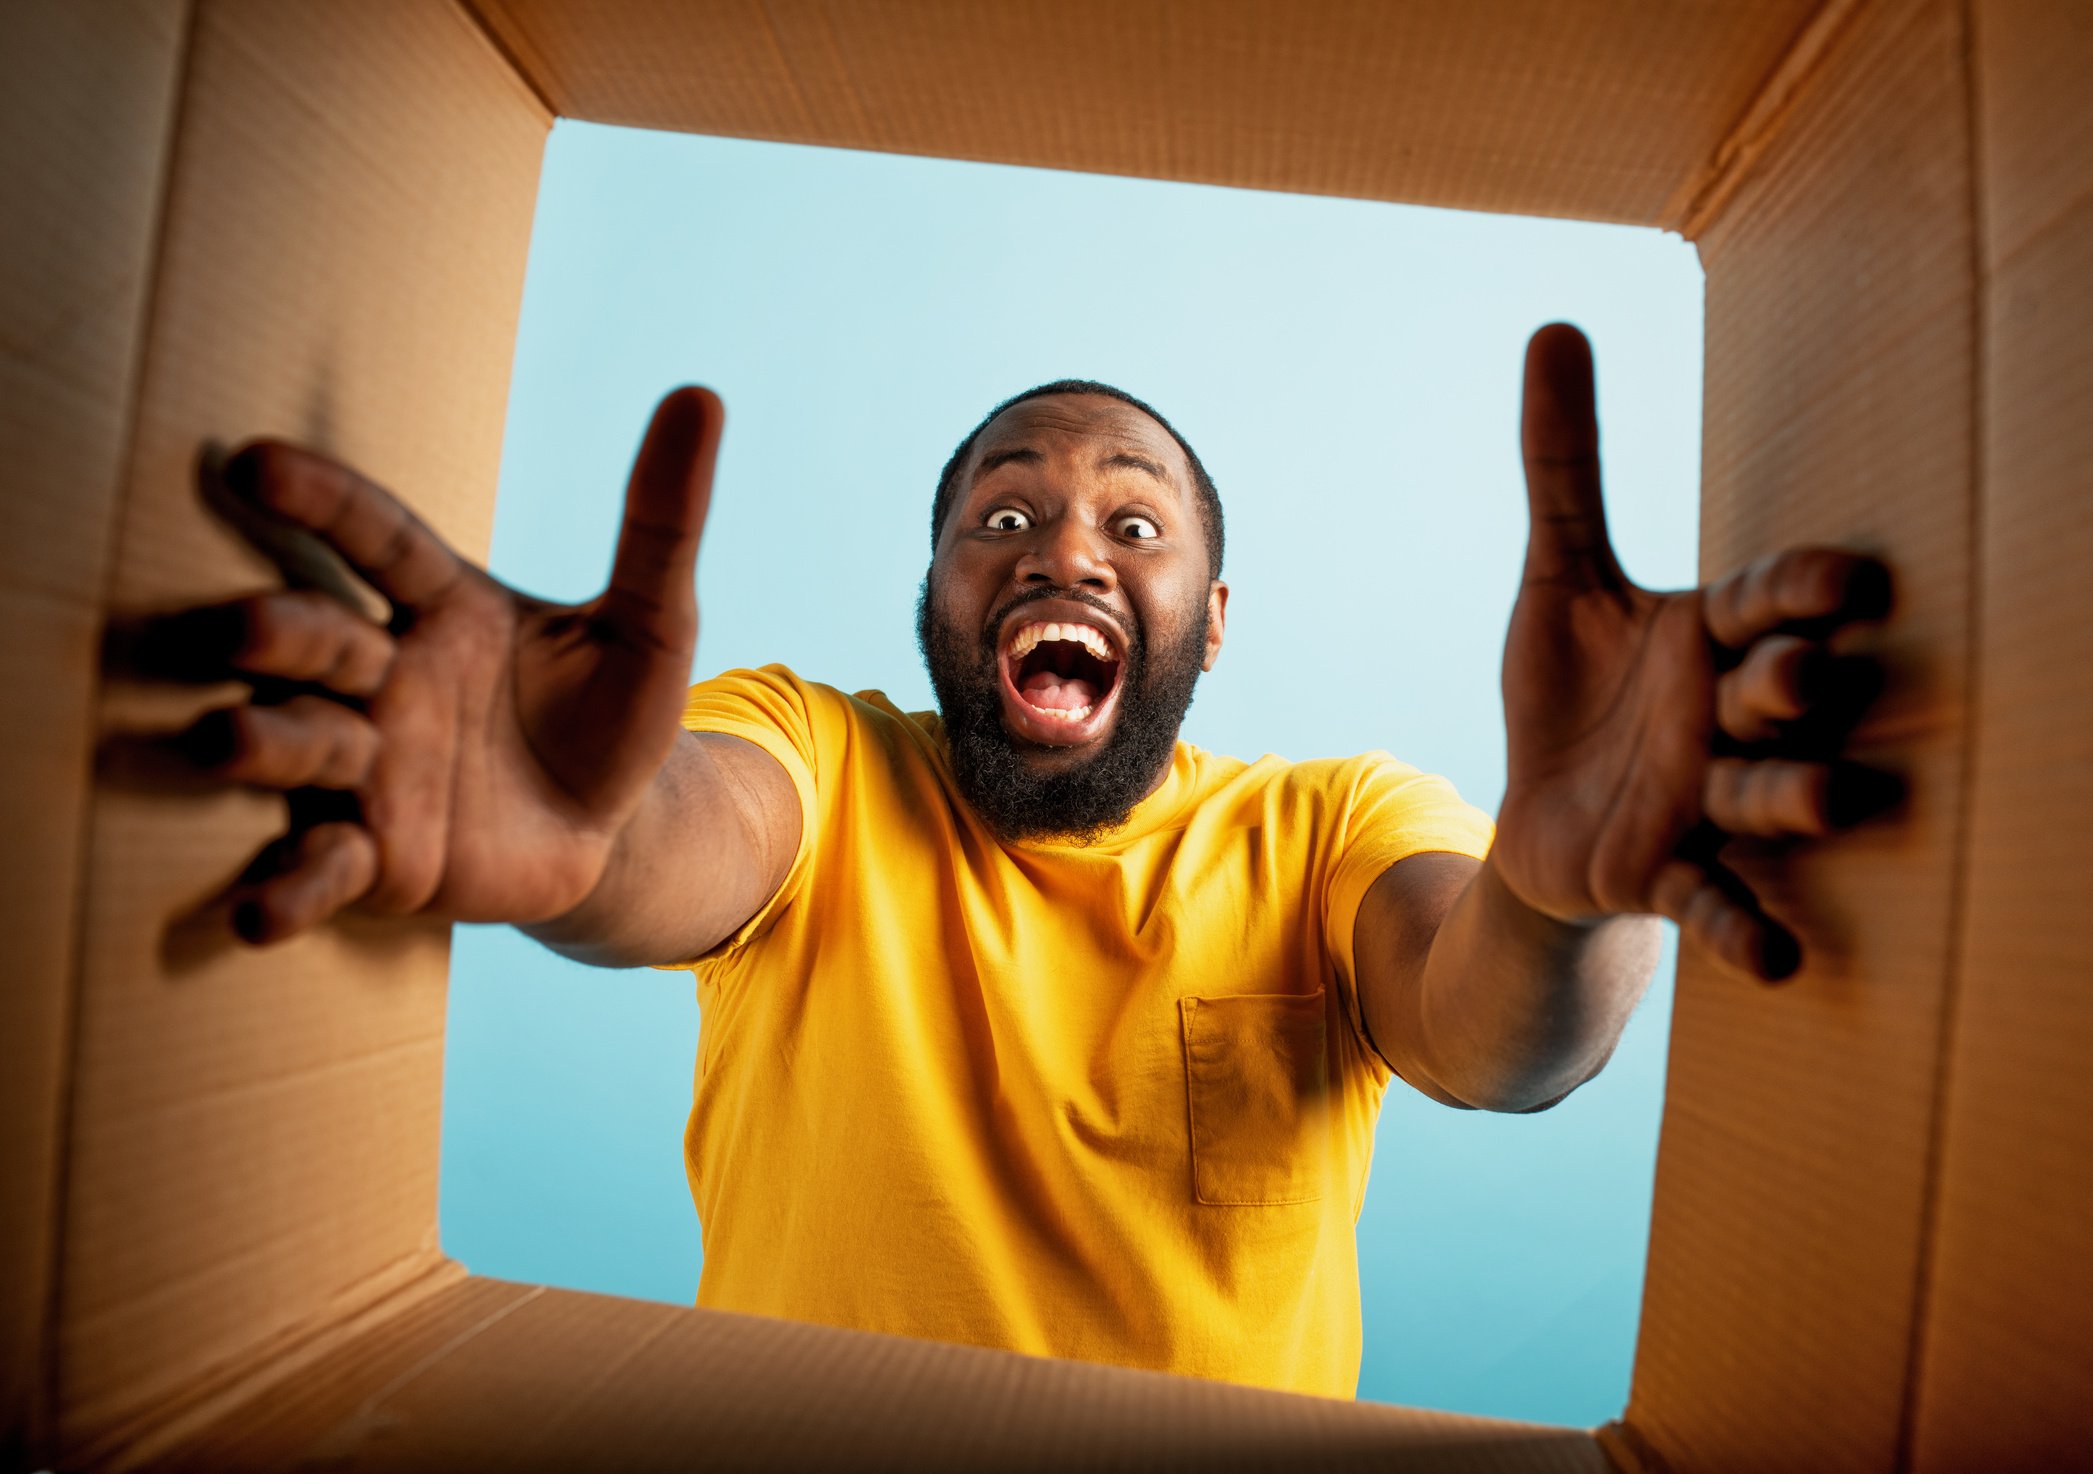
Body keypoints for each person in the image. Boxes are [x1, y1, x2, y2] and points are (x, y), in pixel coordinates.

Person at [142, 324, 1894, 1398]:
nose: (1063, 542)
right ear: (936, 602)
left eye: (1135, 522)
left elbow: (1494, 1028)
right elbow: (684, 835)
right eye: (1002, 516)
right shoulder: (819, 749)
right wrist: (579, 833)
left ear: (1211, 623)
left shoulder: (1324, 822)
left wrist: (1569, 889)